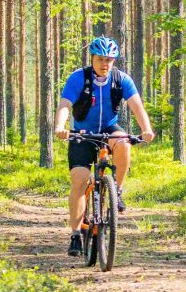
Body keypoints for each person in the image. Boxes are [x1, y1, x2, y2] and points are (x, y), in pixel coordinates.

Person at [54, 37, 155, 256]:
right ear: (92, 58)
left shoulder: (121, 79)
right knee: (80, 180)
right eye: (100, 59)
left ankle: (116, 190)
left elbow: (138, 107)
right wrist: (60, 127)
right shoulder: (78, 78)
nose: (105, 64)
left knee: (123, 143)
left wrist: (146, 129)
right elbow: (65, 105)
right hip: (81, 132)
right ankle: (75, 235)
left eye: (109, 60)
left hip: (108, 128)